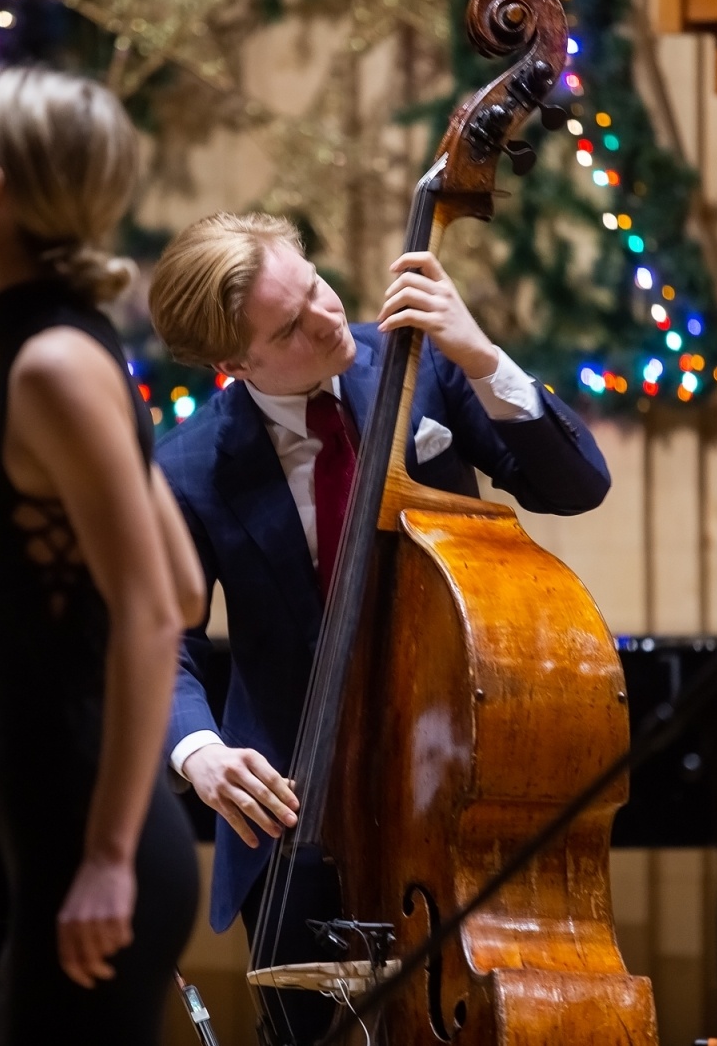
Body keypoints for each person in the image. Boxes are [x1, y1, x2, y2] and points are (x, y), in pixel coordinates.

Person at [149, 211, 613, 1043]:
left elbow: (576, 485)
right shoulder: (187, 469)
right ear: (234, 364)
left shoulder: (421, 364)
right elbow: (163, 645)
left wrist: (477, 350)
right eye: (291, 326)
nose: (330, 317)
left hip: (447, 800)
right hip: (296, 823)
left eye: (318, 286)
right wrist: (200, 753)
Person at [0, 66, 202, 1044]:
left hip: (98, 851)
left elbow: (152, 612)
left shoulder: (56, 364)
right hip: (78, 848)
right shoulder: (63, 348)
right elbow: (178, 579)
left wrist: (105, 858)